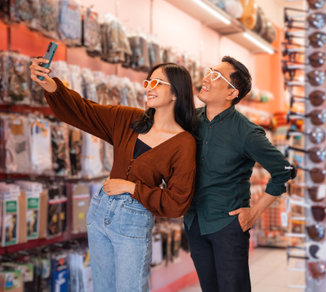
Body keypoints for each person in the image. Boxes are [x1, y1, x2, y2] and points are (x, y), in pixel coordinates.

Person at [30, 59, 197, 292]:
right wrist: (50, 85)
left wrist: (132, 188)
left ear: (176, 93)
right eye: (149, 81)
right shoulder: (128, 119)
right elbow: (85, 111)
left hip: (134, 221)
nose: (149, 87)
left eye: (158, 83)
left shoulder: (184, 143)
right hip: (100, 211)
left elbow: (177, 201)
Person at [184, 56, 296, 292]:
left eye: (216, 76)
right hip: (195, 222)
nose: (206, 78)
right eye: (209, 71)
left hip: (228, 226)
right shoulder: (190, 120)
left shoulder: (246, 132)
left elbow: (283, 171)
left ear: (231, 93)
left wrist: (255, 212)